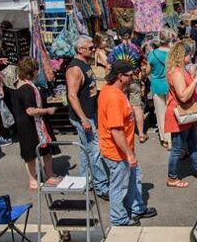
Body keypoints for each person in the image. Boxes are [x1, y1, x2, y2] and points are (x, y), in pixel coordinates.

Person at [97, 60, 157, 226]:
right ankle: (119, 218)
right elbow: (116, 131)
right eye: (130, 75)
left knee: (134, 179)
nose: (134, 78)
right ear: (120, 76)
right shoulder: (114, 98)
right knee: (119, 186)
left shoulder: (109, 90)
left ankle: (137, 208)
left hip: (123, 150)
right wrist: (129, 155)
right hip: (118, 152)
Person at [66, 35, 110, 200]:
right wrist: (83, 119)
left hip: (89, 113)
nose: (94, 50)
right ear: (80, 49)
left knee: (86, 150)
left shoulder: (85, 64)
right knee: (95, 150)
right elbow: (72, 95)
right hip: (83, 117)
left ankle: (86, 180)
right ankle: (101, 187)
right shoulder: (75, 69)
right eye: (91, 48)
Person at [164, 41, 197, 188]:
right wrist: (195, 80)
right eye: (189, 53)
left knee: (193, 142)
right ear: (181, 55)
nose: (191, 55)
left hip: (187, 114)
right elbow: (183, 96)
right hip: (180, 115)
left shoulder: (181, 70)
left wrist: (191, 76)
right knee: (177, 148)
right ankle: (172, 177)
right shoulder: (177, 73)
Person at [13, 58, 61, 190]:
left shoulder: (21, 83)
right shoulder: (27, 88)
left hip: (35, 123)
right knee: (31, 154)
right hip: (30, 125)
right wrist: (48, 110)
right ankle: (33, 180)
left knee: (46, 150)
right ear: (32, 71)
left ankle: (48, 174)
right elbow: (30, 110)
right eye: (36, 69)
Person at [109, 27, 147, 143]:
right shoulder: (137, 49)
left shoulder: (115, 50)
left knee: (121, 107)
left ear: (119, 36)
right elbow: (144, 66)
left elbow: (110, 65)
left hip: (120, 81)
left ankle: (124, 132)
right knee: (137, 106)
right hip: (134, 79)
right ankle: (141, 134)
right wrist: (142, 79)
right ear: (131, 35)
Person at [148, 28, 175, 149]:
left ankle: (165, 139)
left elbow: (148, 70)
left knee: (160, 114)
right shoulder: (173, 53)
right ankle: (172, 139)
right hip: (171, 85)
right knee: (172, 112)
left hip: (157, 85)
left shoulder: (152, 54)